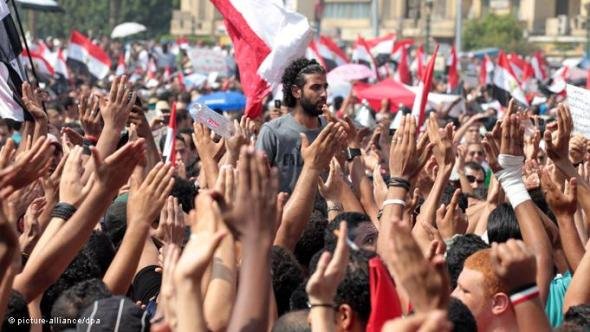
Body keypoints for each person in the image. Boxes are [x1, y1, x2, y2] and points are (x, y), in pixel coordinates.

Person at [256, 58, 329, 193]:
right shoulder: (272, 132)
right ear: (296, 91)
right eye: (316, 87)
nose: (324, 94)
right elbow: (256, 184)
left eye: (325, 87)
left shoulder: (330, 130)